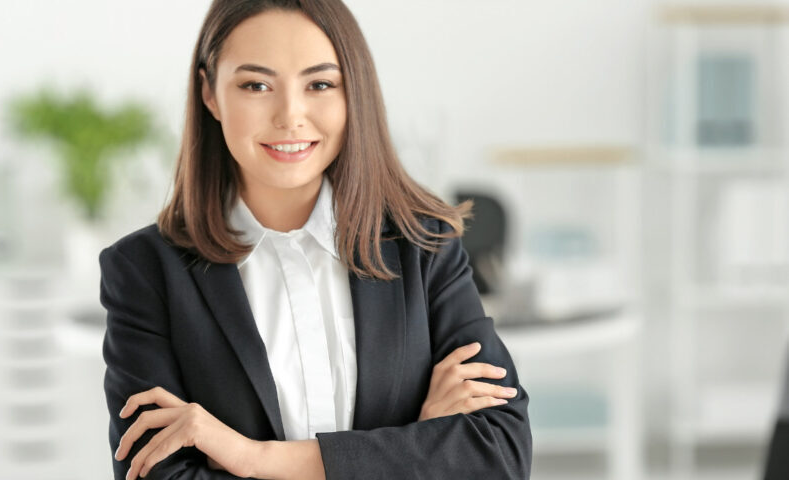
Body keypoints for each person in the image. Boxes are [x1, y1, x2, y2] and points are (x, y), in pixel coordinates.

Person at [99, 0, 532, 478]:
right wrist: (418, 444)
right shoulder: (144, 272)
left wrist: (251, 457)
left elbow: (500, 456)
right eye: (256, 85)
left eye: (320, 84)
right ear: (210, 93)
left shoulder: (424, 244)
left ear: (354, 94)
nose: (291, 115)